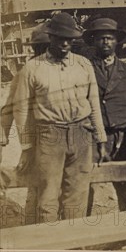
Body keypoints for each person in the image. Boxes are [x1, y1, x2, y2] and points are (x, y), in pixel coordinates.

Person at [10, 12, 107, 222]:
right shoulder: (32, 69)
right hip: (50, 136)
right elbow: (21, 111)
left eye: (69, 39)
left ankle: (74, 243)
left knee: (77, 197)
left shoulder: (83, 65)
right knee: (48, 198)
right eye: (60, 38)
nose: (65, 44)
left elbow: (93, 103)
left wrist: (100, 138)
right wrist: (26, 147)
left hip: (82, 133)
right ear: (50, 37)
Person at [83, 18, 126, 215]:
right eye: (100, 38)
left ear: (116, 42)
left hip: (122, 139)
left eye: (109, 38)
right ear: (93, 41)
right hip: (92, 139)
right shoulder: (84, 70)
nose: (105, 42)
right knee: (85, 186)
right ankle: (80, 233)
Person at [0, 23, 50, 224]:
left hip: (64, 142)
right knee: (39, 188)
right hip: (36, 144)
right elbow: (7, 113)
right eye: (40, 49)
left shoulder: (65, 72)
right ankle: (35, 230)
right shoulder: (23, 76)